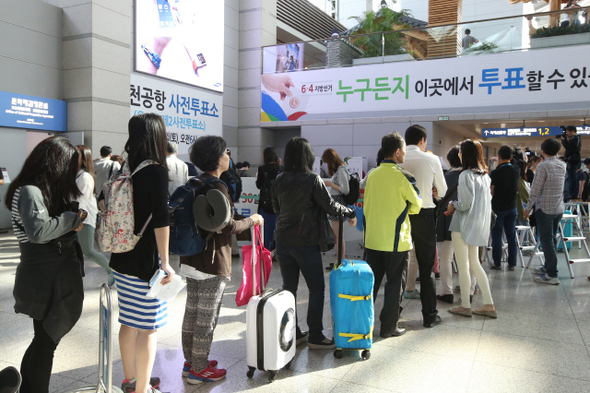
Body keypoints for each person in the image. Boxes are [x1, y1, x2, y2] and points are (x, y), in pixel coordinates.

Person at [5, 136, 85, 393]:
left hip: (49, 275)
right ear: (56, 164)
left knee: (43, 341)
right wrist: (70, 219)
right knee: (46, 342)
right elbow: (38, 232)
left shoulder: (36, 190)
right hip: (44, 278)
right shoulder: (29, 191)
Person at [180, 136, 262, 384]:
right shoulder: (218, 186)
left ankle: (191, 362)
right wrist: (254, 220)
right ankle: (199, 369)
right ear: (217, 158)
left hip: (190, 256)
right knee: (207, 317)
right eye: (226, 152)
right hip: (212, 261)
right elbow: (227, 227)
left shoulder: (194, 182)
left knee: (192, 312)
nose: (229, 156)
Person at [109, 113, 175, 393]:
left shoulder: (125, 167)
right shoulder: (157, 170)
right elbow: (161, 219)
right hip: (145, 262)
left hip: (121, 257)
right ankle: (143, 389)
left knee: (128, 321)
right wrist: (166, 263)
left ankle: (131, 380)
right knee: (148, 328)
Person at [273, 137, 356, 349]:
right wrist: (350, 210)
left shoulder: (279, 179)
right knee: (316, 288)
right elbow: (330, 206)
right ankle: (316, 335)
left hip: (282, 241)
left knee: (288, 289)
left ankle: (292, 332)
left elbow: (275, 207)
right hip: (306, 242)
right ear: (308, 157)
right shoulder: (312, 179)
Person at [364, 132, 422, 337]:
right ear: (397, 152)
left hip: (372, 240)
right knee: (394, 285)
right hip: (396, 242)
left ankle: (363, 325)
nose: (405, 153)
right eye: (404, 150)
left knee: (370, 287)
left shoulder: (371, 174)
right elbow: (417, 205)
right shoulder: (403, 176)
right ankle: (388, 328)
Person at [399, 124, 447, 328]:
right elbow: (443, 190)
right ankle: (429, 315)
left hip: (400, 214)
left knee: (399, 264)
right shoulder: (431, 159)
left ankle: (394, 312)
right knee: (426, 266)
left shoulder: (398, 158)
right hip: (424, 214)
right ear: (422, 140)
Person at [446, 139, 497, 318]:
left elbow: (465, 204)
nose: (459, 153)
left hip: (462, 226)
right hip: (477, 226)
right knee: (475, 264)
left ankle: (465, 305)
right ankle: (488, 304)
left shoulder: (465, 175)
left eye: (460, 151)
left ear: (464, 154)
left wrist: (453, 204)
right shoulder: (485, 175)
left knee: (463, 266)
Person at [525, 138, 567, 285]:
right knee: (551, 240)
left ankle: (552, 274)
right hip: (558, 208)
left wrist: (528, 208)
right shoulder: (562, 165)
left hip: (544, 209)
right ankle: (548, 267)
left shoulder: (543, 166)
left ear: (543, 151)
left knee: (546, 241)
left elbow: (535, 189)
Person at [436, 146, 475, 304]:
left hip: (447, 220)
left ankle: (448, 292)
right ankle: (470, 291)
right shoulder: (472, 176)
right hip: (468, 222)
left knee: (445, 257)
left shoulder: (446, 177)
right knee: (467, 259)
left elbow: (438, 197)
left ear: (450, 161)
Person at [75, 145, 114, 285]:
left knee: (89, 251)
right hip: (77, 217)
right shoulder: (77, 174)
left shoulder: (85, 176)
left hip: (83, 219)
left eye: (76, 154)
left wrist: (75, 220)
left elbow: (81, 202)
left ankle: (111, 270)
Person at [490, 146, 520, 271]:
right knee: (511, 235)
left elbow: (491, 191)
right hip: (512, 208)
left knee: (496, 235)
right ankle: (512, 263)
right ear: (511, 157)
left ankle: (497, 263)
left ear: (499, 157)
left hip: (498, 208)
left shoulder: (495, 172)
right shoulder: (516, 170)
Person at [321, 148, 351, 270]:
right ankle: (339, 260)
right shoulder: (340, 170)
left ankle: (340, 261)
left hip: (338, 202)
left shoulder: (341, 170)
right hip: (335, 202)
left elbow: (345, 189)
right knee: (337, 236)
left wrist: (330, 184)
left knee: (338, 236)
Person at [256, 147, 284, 250]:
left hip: (265, 205)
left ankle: (264, 251)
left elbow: (259, 185)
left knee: (265, 230)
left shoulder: (262, 169)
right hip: (279, 204)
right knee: (278, 229)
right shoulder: (281, 169)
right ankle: (277, 252)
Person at [560, 126, 581, 201]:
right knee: (571, 178)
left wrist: (564, 140)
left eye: (568, 132)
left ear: (572, 131)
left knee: (572, 178)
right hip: (571, 160)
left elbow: (569, 147)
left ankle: (573, 194)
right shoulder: (575, 139)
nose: (567, 134)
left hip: (573, 160)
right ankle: (572, 194)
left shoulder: (576, 138)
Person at [515, 160, 531, 227]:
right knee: (525, 232)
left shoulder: (514, 178)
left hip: (514, 208)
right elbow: (525, 197)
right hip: (521, 209)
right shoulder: (520, 181)